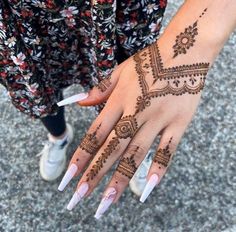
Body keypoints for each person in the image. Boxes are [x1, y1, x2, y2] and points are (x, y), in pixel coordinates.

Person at [1, 0, 235, 220]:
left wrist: (194, 43)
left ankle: (135, 149)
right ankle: (59, 136)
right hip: (17, 14)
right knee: (39, 86)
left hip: (114, 12)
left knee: (134, 95)